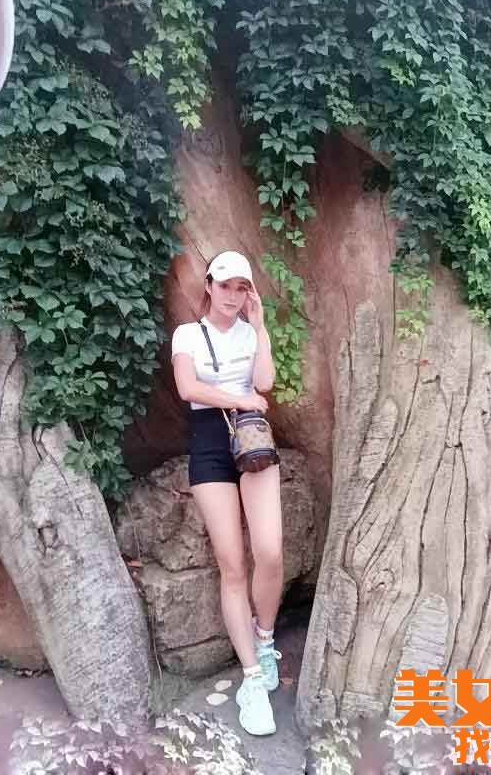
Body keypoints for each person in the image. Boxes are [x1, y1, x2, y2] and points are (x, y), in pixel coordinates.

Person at [171, 250, 284, 736]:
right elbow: (187, 387)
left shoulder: (249, 332)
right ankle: (252, 679)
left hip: (252, 438)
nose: (233, 296)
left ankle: (265, 640)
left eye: (242, 288)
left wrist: (260, 328)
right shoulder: (187, 335)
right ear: (209, 286)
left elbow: (265, 383)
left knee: (270, 552)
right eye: (226, 286)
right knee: (233, 563)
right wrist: (238, 398)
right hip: (210, 444)